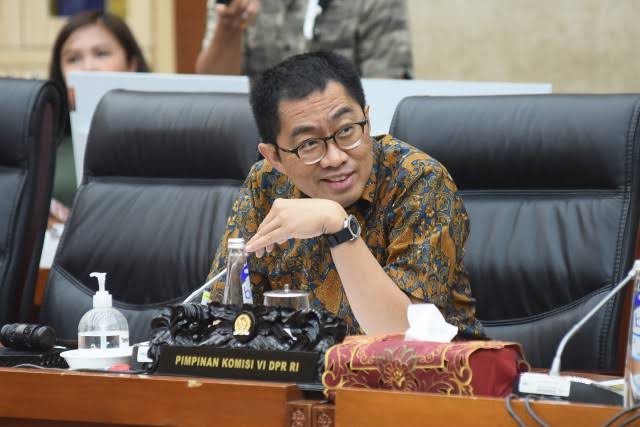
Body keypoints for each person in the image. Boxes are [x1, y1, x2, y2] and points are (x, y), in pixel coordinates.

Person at [207, 51, 483, 338]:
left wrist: (339, 228)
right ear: (274, 157)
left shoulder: (418, 180)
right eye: (309, 144)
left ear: (367, 120)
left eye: (347, 130)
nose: (335, 158)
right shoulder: (266, 184)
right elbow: (221, 315)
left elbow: (404, 334)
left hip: (431, 365)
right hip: (304, 365)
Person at [48, 10, 150, 222]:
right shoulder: (43, 139)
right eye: (73, 59)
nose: (88, 67)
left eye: (101, 54)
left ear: (131, 64)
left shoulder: (159, 134)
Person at [195, 0, 413, 79]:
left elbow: (386, 90)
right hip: (255, 142)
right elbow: (215, 87)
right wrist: (229, 25)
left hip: (340, 144)